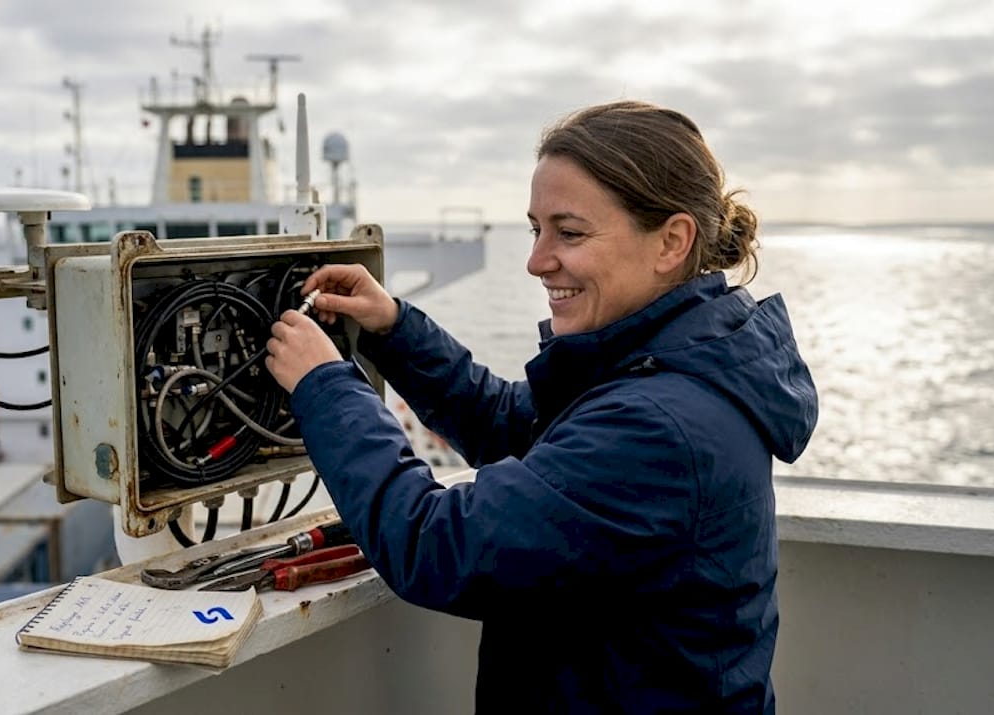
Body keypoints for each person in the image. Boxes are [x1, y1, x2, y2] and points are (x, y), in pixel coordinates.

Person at [264, 99, 818, 714]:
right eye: (535, 229)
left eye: (570, 232)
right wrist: (394, 331)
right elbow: (516, 425)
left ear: (671, 242)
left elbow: (434, 545)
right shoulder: (670, 368)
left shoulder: (659, 425)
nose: (536, 261)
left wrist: (325, 386)